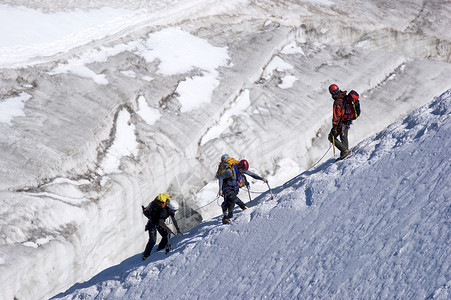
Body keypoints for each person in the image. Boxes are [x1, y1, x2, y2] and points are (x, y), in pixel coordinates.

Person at [217, 154, 268, 224]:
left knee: (231, 202)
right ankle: (241, 207)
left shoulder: (241, 169)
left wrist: (262, 179)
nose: (243, 171)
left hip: (234, 188)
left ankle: (228, 211)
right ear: (239, 166)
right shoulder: (230, 171)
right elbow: (221, 177)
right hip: (226, 188)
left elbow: (252, 174)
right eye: (242, 170)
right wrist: (220, 189)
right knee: (233, 198)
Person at [141, 193, 183, 260]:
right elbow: (161, 222)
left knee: (166, 235)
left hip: (157, 222)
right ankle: (145, 255)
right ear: (170, 208)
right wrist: (167, 228)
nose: (174, 212)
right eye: (174, 210)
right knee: (152, 240)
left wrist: (177, 229)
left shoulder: (169, 211)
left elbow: (173, 219)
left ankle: (160, 248)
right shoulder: (164, 212)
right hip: (152, 223)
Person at [328, 83, 354, 160]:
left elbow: (337, 116)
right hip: (346, 121)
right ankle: (344, 153)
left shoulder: (337, 102)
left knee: (331, 137)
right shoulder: (344, 97)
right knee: (343, 137)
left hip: (340, 123)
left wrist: (334, 127)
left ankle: (345, 151)